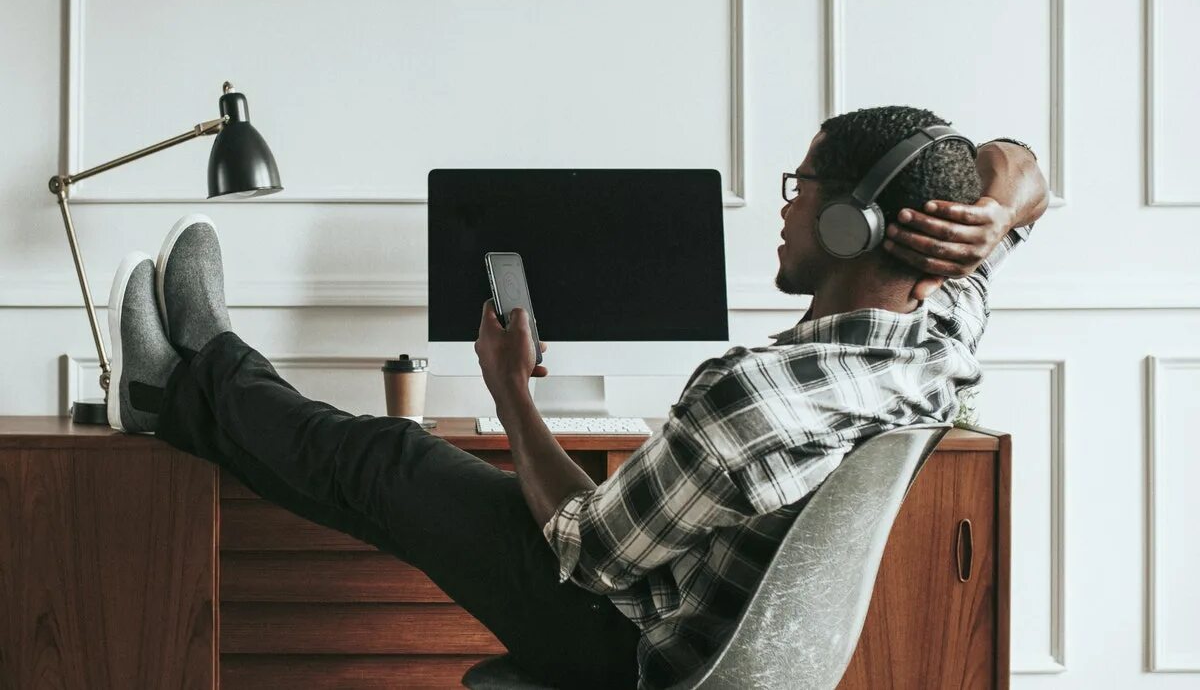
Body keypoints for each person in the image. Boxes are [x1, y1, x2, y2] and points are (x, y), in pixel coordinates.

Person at [105, 104, 1049, 690]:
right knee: (380, 480)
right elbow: (1022, 175)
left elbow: (586, 552)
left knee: (389, 459)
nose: (787, 204)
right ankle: (181, 390)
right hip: (712, 636)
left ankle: (195, 371)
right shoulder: (937, 337)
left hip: (627, 648)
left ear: (854, 223)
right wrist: (999, 212)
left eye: (801, 184)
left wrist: (511, 392)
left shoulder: (748, 398)